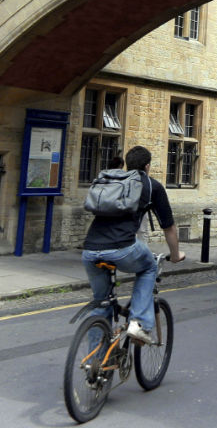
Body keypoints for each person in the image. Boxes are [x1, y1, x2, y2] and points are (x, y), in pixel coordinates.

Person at [82, 146, 185, 343]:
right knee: (149, 267)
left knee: (101, 303)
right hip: (122, 248)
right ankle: (138, 323)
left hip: (90, 249)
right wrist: (176, 254)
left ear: (128, 164)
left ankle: (96, 364)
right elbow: (169, 227)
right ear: (147, 166)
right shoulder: (151, 186)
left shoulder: (115, 182)